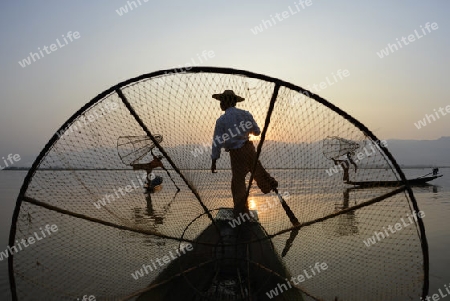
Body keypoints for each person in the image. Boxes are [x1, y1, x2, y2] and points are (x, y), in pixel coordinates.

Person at [210, 90, 278, 217]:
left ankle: (241, 212)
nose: (220, 104)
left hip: (236, 154)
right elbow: (257, 132)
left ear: (226, 102)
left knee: (238, 183)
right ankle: (271, 185)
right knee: (259, 172)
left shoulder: (222, 120)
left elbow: (217, 142)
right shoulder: (245, 114)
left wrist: (214, 160)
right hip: (249, 149)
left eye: (221, 102)